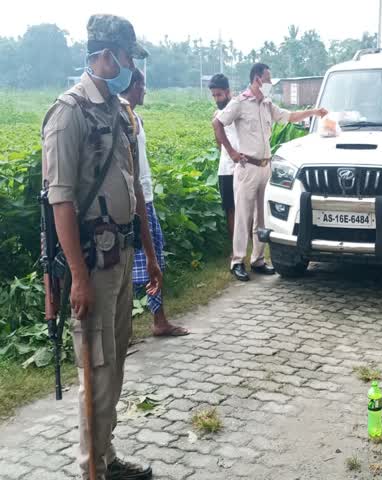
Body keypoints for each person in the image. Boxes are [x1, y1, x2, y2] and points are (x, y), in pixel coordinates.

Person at [41, 14, 159, 480]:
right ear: (107, 55)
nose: (133, 66)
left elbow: (134, 192)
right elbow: (61, 200)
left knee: (113, 367)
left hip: (122, 256)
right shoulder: (69, 113)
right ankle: (92, 468)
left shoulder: (118, 111)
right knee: (96, 368)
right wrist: (79, 279)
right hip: (91, 264)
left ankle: (106, 458)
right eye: (129, 56)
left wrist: (149, 253)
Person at [212, 63, 328, 281]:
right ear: (257, 79)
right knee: (243, 217)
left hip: (265, 167)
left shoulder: (266, 104)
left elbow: (289, 116)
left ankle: (257, 259)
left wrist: (314, 112)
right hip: (247, 168)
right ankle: (237, 261)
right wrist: (232, 152)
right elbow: (217, 123)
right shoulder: (240, 103)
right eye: (267, 79)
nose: (269, 84)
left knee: (262, 217)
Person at [120, 68, 189, 337]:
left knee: (154, 258)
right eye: (143, 85)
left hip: (145, 197)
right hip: (133, 201)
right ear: (135, 85)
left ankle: (159, 319)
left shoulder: (135, 117)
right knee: (127, 266)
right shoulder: (121, 114)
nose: (145, 91)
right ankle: (123, 329)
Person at [208, 73, 240, 243]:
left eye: (219, 94)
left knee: (247, 208)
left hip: (243, 166)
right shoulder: (217, 114)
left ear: (228, 92)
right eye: (214, 95)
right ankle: (235, 247)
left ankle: (249, 244)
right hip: (226, 168)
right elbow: (218, 144)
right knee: (230, 209)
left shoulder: (239, 108)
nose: (216, 99)